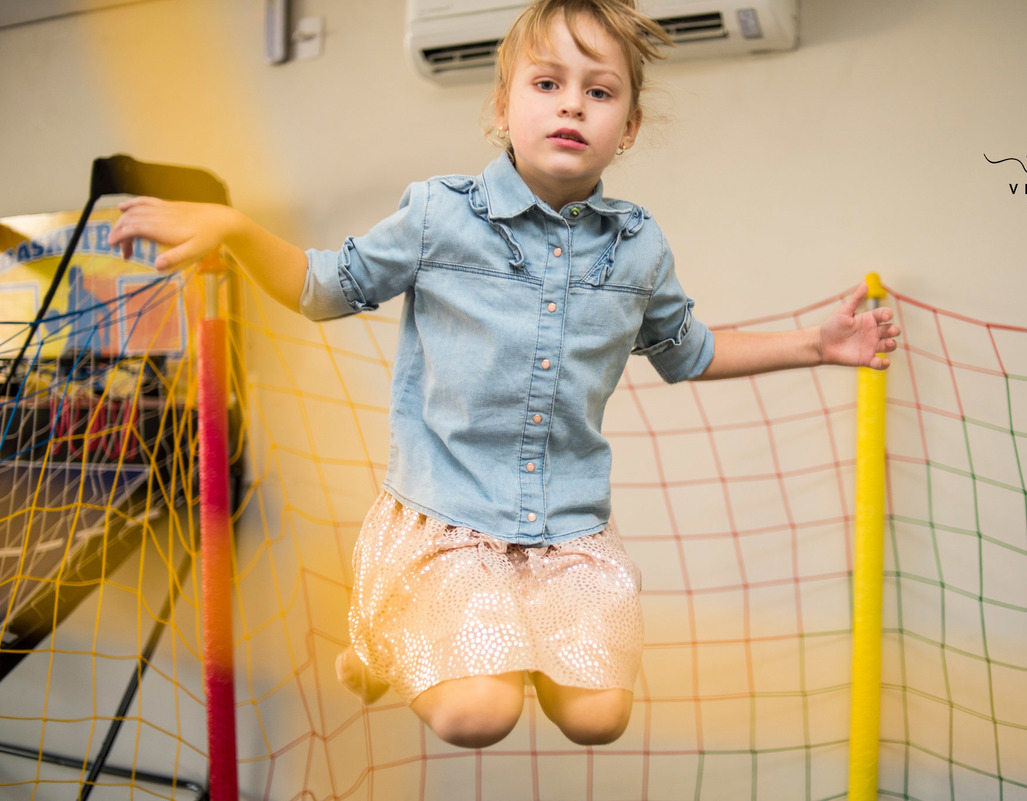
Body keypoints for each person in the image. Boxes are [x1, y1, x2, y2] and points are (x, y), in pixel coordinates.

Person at [108, 0, 900, 750]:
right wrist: (237, 230)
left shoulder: (639, 248)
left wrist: (819, 346)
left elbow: (688, 351)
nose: (572, 106)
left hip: (570, 537)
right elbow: (324, 287)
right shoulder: (437, 216)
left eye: (599, 92)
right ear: (501, 108)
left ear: (627, 128)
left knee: (599, 719)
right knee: (477, 714)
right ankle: (390, 639)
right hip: (450, 521)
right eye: (547, 84)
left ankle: (493, 634)